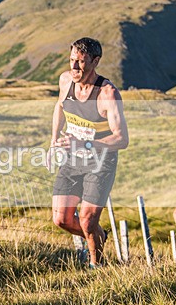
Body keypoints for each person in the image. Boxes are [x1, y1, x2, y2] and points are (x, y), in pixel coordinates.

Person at [50, 38, 129, 268]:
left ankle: (97, 266)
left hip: (100, 163)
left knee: (86, 221)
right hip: (72, 160)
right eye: (72, 60)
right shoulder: (65, 80)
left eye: (81, 62)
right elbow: (60, 106)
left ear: (95, 62)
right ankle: (99, 235)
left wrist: (85, 144)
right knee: (61, 219)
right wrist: (53, 139)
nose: (74, 67)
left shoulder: (108, 94)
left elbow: (122, 139)